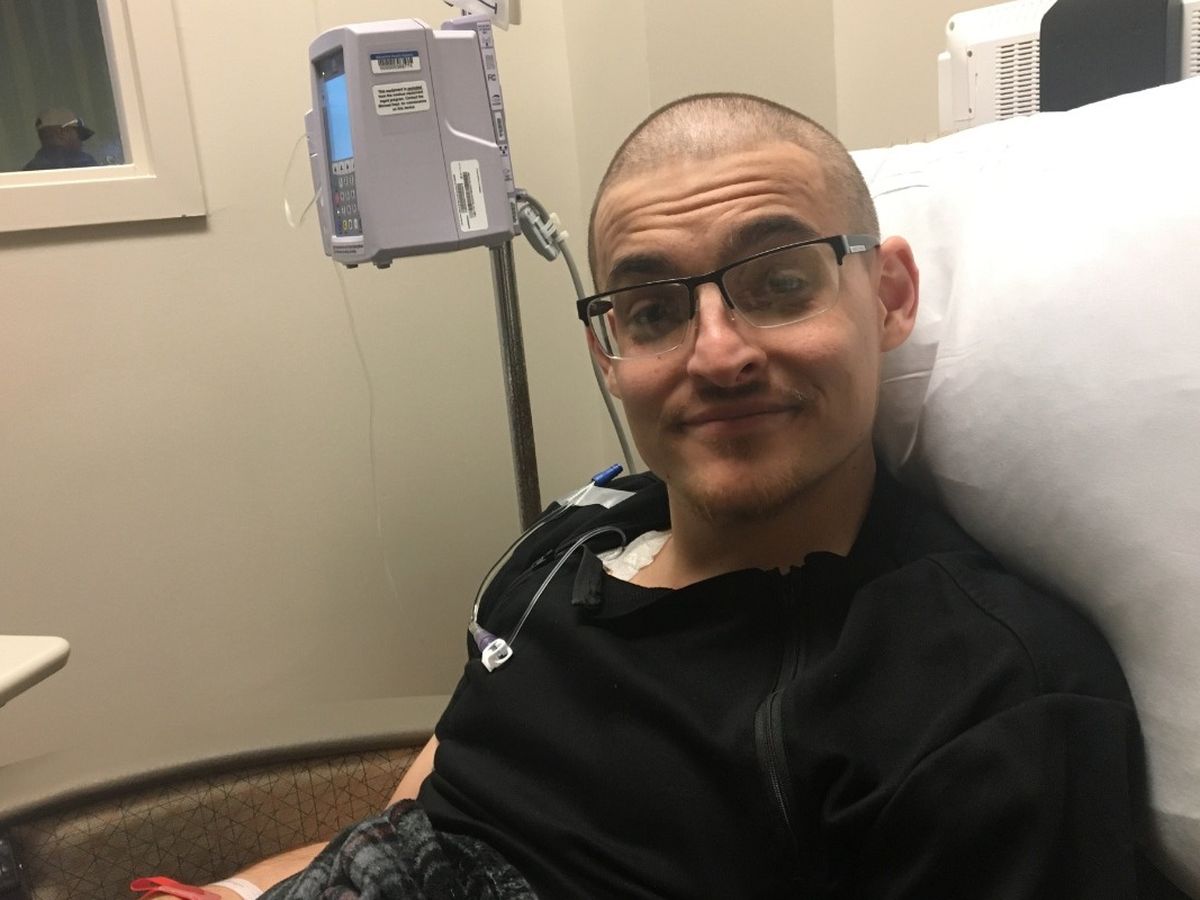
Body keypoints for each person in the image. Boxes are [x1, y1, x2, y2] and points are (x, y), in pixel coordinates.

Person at [143, 93, 1161, 899]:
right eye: (654, 310)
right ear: (608, 352)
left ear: (888, 297)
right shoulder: (572, 540)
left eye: (779, 283)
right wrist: (237, 889)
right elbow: (445, 787)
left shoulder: (977, 698)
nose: (717, 354)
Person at [22, 107, 98, 170]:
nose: (81, 142)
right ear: (61, 133)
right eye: (79, 135)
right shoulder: (84, 163)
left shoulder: (29, 171)